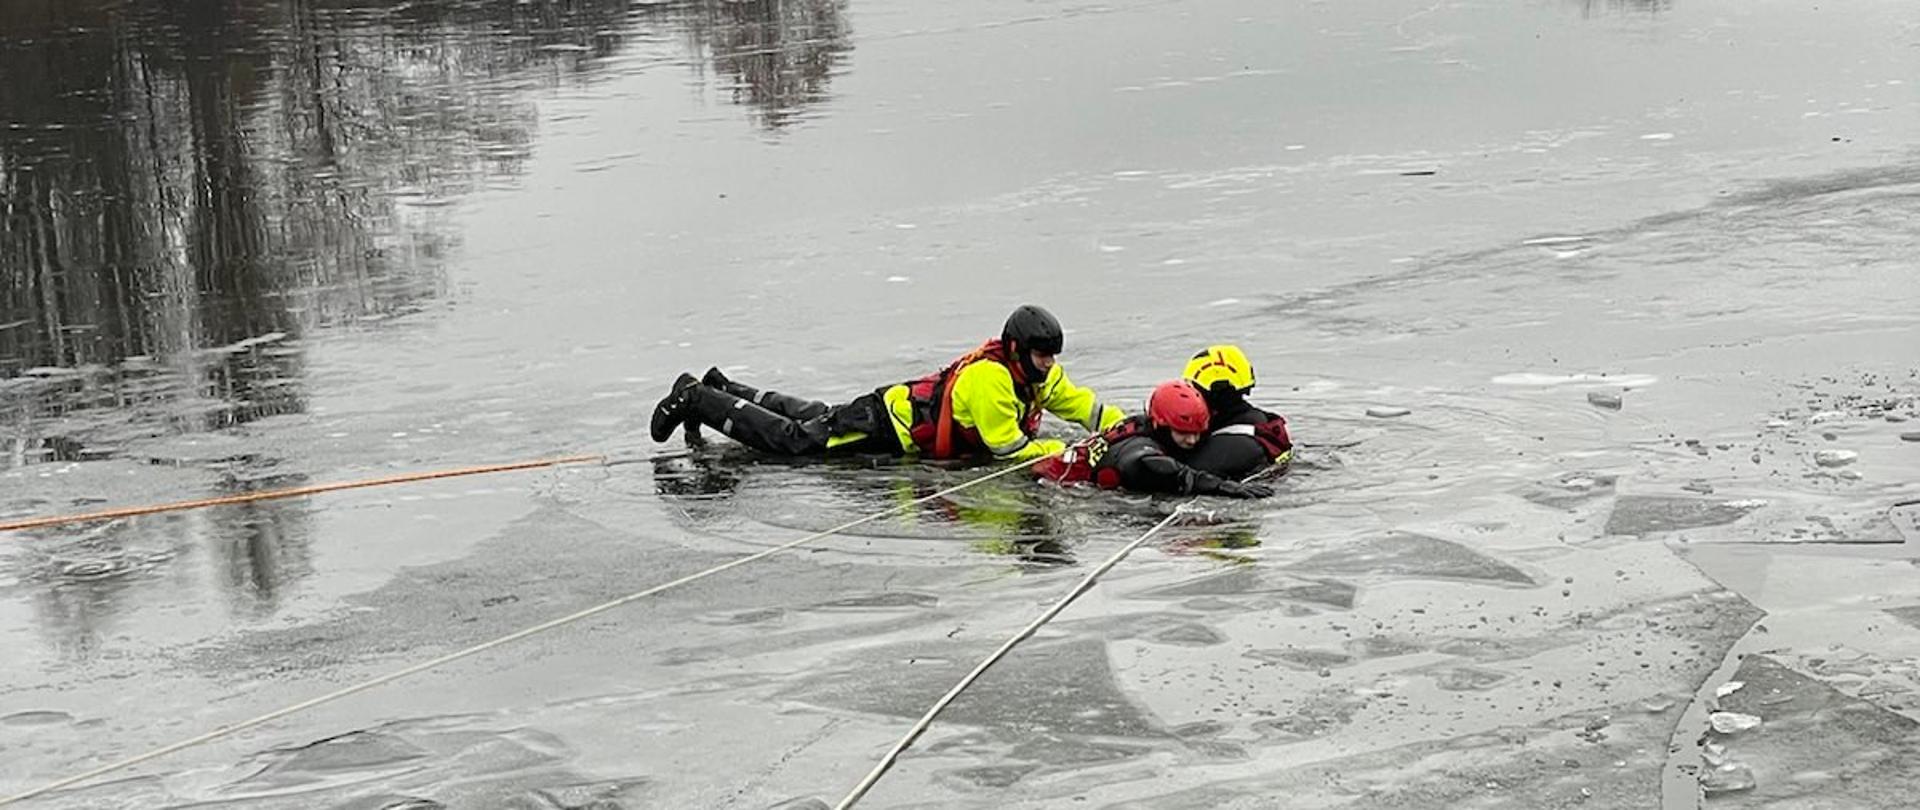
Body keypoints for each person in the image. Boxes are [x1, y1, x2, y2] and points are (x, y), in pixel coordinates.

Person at [648, 305, 1125, 461]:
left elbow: (1082, 406)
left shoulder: (1040, 375)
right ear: (1019, 349)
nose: (1049, 365)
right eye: (1042, 355)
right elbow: (1011, 449)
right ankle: (698, 398)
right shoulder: (991, 380)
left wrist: (1126, 428)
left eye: (1052, 358)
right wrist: (1080, 452)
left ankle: (720, 386)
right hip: (887, 426)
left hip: (891, 410)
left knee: (816, 415)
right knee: (797, 443)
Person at [1033, 380, 1275, 498]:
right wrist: (1223, 487)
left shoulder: (1146, 424)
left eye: (1197, 432)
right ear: (1161, 424)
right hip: (1051, 490)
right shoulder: (1138, 448)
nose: (1192, 441)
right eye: (1183, 432)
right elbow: (1149, 466)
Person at [1179, 345, 1294, 480]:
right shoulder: (1262, 423)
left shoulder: (1224, 448)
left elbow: (1175, 480)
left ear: (1213, 393)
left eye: (1192, 388)